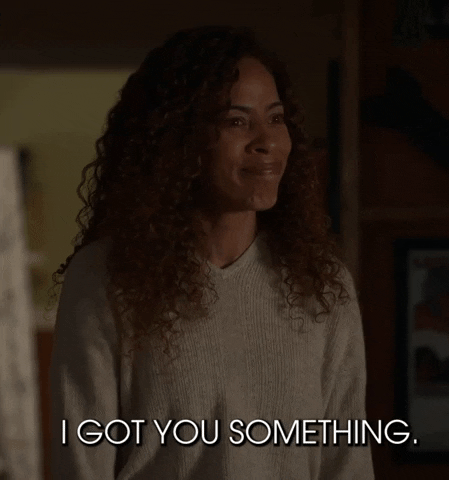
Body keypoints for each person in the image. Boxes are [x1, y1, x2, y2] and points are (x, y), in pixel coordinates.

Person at [49, 25, 374, 479]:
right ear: (178, 140)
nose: (267, 141)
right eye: (236, 122)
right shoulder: (106, 277)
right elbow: (82, 464)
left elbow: (348, 463)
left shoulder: (321, 283)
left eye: (276, 118)